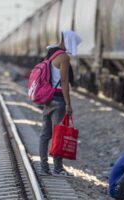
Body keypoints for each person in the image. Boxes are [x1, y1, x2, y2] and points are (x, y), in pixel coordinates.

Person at [39, 30, 81, 176]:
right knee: (59, 134)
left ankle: (44, 167)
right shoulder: (63, 57)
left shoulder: (50, 53)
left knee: (45, 135)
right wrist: (68, 104)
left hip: (47, 98)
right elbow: (64, 82)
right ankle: (57, 168)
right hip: (58, 99)